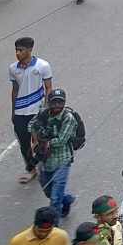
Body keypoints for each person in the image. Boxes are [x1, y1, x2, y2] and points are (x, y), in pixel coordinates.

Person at [29, 89, 83, 220]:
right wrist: (36, 139)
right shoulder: (43, 114)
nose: (57, 105)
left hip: (62, 160)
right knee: (48, 190)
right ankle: (68, 199)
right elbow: (31, 126)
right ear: (49, 103)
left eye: (60, 102)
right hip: (46, 161)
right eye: (54, 102)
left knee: (54, 199)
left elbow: (61, 140)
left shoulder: (68, 118)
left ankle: (54, 228)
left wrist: (45, 142)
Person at [9, 37, 54, 185]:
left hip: (37, 111)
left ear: (29, 50)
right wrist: (13, 111)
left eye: (20, 50)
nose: (17, 53)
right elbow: (15, 90)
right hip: (20, 112)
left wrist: (47, 109)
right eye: (16, 50)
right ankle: (31, 169)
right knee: (24, 143)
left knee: (40, 141)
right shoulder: (13, 69)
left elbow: (48, 88)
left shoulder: (42, 66)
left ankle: (46, 167)